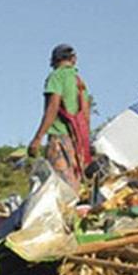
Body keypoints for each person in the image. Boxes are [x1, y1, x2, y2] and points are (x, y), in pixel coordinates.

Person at [28, 43, 92, 192]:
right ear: (73, 59)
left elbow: (53, 107)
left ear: (54, 61)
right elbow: (86, 115)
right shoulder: (79, 81)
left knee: (61, 187)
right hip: (78, 141)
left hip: (59, 139)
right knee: (75, 184)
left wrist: (38, 138)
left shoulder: (56, 77)